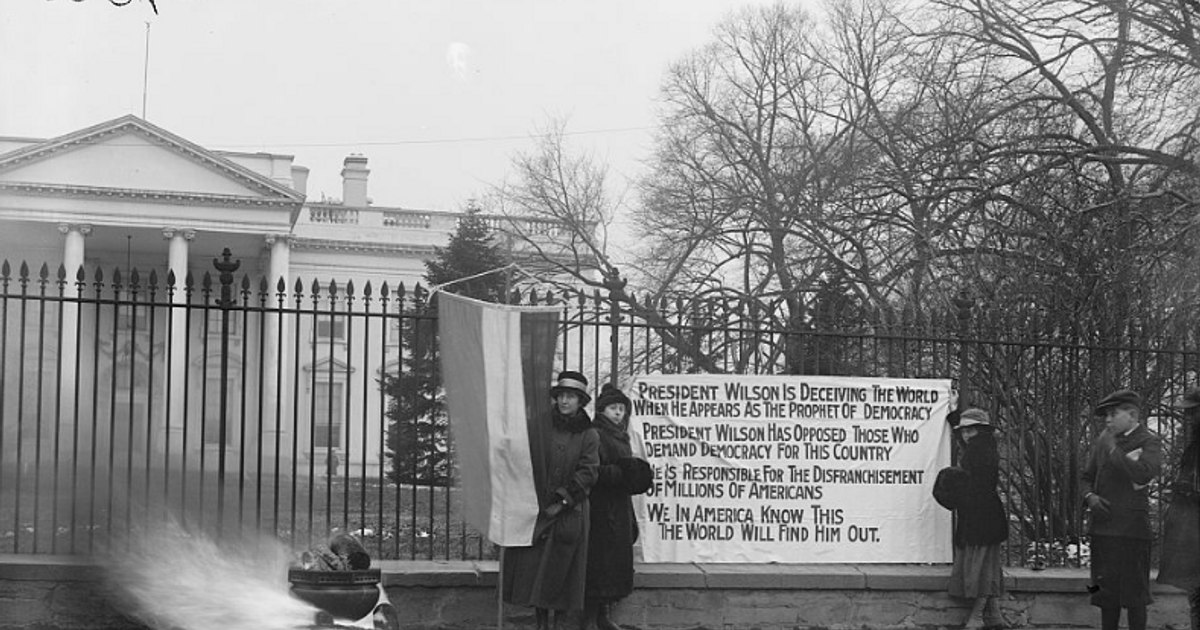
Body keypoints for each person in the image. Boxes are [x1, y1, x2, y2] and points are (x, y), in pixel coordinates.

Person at [502, 371, 600, 630]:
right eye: (562, 396)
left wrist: (564, 499)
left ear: (581, 402)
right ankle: (541, 624)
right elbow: (526, 457)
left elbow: (588, 471)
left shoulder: (589, 434)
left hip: (570, 511)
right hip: (539, 510)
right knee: (536, 571)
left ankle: (558, 625)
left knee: (562, 574)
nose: (565, 401)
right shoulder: (540, 426)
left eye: (571, 397)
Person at [1082, 389, 1163, 630]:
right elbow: (1086, 476)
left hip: (1132, 532)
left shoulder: (1149, 441)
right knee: (1106, 595)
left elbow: (1144, 474)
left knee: (1135, 596)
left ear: (1132, 414)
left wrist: (1113, 451)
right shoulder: (1103, 441)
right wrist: (1090, 497)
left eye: (1113, 414)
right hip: (1103, 530)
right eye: (1106, 415)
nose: (1107, 420)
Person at [583, 383, 653, 630]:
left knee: (613, 566)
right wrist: (622, 472)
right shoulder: (596, 434)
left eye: (622, 409)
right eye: (613, 408)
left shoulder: (620, 435)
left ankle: (604, 615)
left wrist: (635, 474)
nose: (618, 413)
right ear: (602, 410)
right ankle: (590, 618)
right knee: (598, 565)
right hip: (600, 509)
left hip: (619, 508)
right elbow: (592, 470)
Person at [946, 407, 1008, 630]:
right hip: (984, 514)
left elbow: (972, 480)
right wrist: (954, 418)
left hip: (980, 516)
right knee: (988, 564)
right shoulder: (982, 446)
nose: (964, 435)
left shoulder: (979, 450)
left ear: (979, 432)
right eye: (963, 431)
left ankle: (978, 615)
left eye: (969, 431)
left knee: (981, 567)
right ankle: (995, 614)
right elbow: (965, 448)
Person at [1158, 387, 1200, 630]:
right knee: (1195, 592)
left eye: (1193, 412)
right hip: (1192, 530)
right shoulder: (1194, 445)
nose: (1188, 418)